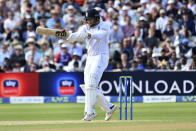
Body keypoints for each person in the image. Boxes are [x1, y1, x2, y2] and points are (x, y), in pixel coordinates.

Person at [62, 9, 117, 121]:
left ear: (97, 18)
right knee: (87, 86)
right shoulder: (85, 26)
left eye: (90, 19)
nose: (88, 22)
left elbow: (100, 35)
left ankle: (90, 112)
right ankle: (109, 107)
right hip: (90, 57)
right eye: (87, 20)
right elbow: (75, 36)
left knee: (91, 82)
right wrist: (68, 35)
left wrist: (86, 34)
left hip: (101, 56)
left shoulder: (105, 25)